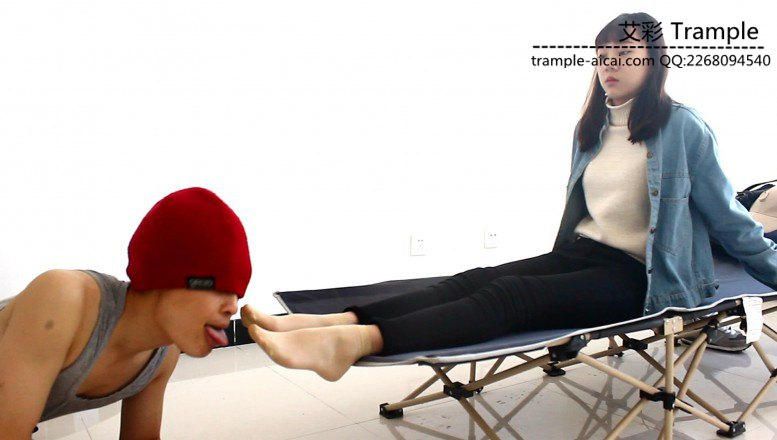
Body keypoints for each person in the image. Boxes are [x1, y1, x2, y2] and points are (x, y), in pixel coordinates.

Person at [240, 12, 777, 382]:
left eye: (625, 53)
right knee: (472, 280)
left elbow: (730, 220)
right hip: (584, 255)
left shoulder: (684, 129)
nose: (610, 63)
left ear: (654, 62)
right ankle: (335, 322)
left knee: (509, 297)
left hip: (642, 277)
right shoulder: (592, 128)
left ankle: (354, 343)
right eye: (603, 54)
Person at [0, 187, 252, 438]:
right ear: (166, 275)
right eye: (220, 287)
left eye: (237, 294)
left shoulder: (163, 355)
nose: (232, 307)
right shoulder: (63, 298)